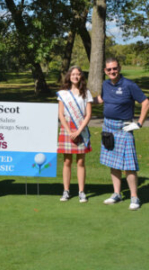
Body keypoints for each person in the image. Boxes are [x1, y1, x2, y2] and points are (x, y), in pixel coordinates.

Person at [97, 57, 149, 210]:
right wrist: (83, 100)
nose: (112, 71)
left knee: (129, 164)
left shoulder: (129, 85)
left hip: (123, 128)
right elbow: (101, 99)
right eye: (109, 69)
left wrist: (139, 123)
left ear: (119, 68)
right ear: (105, 71)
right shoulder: (105, 84)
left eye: (114, 68)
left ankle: (134, 197)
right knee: (113, 163)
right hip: (108, 127)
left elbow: (146, 103)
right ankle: (116, 194)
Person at [57, 66, 93, 203]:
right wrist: (68, 130)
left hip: (81, 128)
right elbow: (60, 114)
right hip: (67, 127)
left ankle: (81, 191)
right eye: (73, 74)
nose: (75, 77)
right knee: (67, 161)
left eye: (78, 74)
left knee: (81, 161)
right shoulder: (63, 93)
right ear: (69, 76)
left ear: (81, 77)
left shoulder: (86, 93)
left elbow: (88, 114)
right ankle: (66, 191)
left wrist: (78, 131)